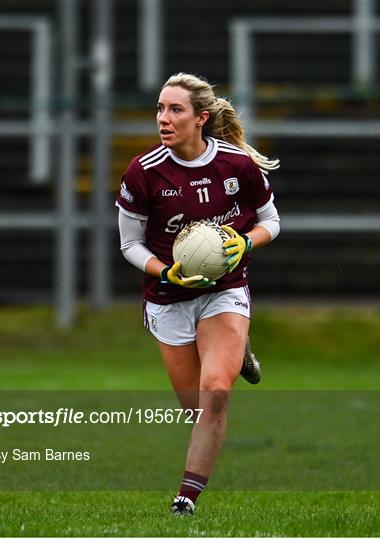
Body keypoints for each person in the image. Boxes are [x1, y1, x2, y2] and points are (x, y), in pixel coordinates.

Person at [116, 73, 280, 515]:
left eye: (175, 110)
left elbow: (271, 220)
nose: (163, 119)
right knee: (198, 412)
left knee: (217, 393)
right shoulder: (144, 172)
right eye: (159, 109)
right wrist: (167, 270)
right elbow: (130, 244)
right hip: (168, 298)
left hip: (225, 289)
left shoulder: (236, 165)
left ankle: (185, 500)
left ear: (201, 118)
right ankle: (236, 349)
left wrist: (245, 243)